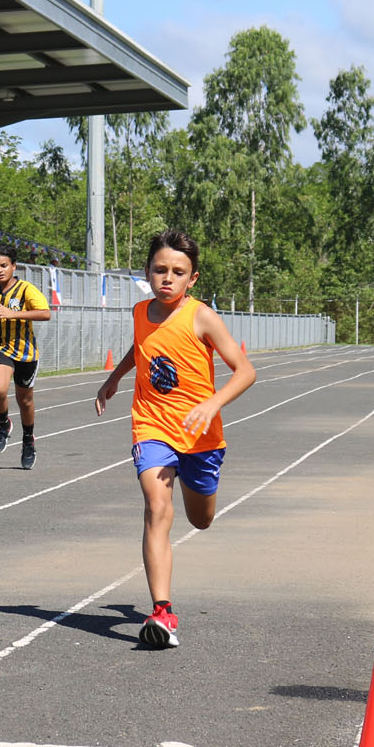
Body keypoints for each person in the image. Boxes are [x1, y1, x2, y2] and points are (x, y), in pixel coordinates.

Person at [94, 230, 256, 649]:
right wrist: (115, 378)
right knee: (156, 506)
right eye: (160, 269)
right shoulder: (140, 310)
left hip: (201, 436)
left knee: (200, 519)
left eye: (177, 272)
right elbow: (142, 347)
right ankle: (162, 611)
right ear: (147, 272)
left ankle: (197, 489)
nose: (167, 278)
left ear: (193, 278)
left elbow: (245, 371)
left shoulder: (201, 316)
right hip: (152, 426)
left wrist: (212, 404)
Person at [0, 242, 51, 470]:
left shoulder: (26, 289)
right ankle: (4, 424)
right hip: (2, 348)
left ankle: (28, 440)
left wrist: (14, 314)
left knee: (25, 401)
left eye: (4, 265)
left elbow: (45, 313)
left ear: (14, 266)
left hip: (26, 353)